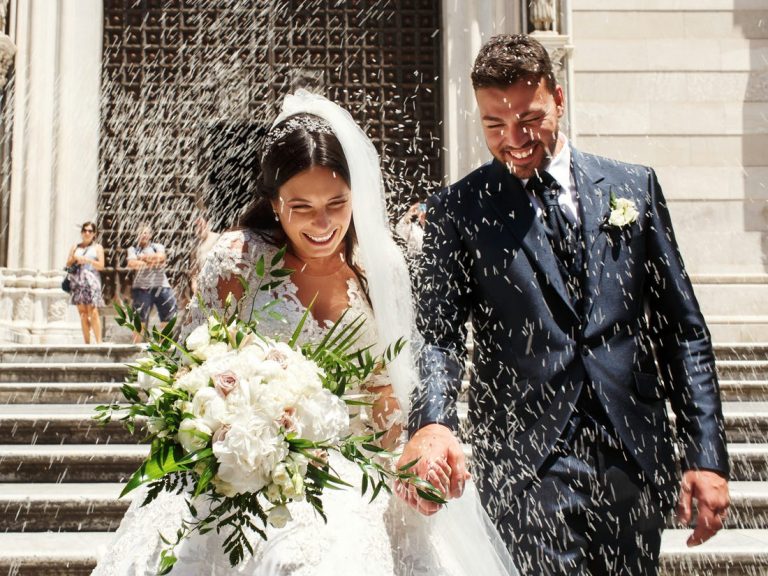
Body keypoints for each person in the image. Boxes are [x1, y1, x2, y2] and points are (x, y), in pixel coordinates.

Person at [92, 91, 516, 576]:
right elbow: (191, 373)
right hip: (250, 474)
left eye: (337, 203)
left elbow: (384, 394)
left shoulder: (378, 269)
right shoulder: (237, 261)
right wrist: (237, 433)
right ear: (274, 203)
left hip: (352, 472)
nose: (323, 223)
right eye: (302, 206)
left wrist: (405, 459)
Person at [397, 34, 730, 576]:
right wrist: (432, 422)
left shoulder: (634, 187)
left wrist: (705, 454)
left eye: (529, 120)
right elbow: (438, 336)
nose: (513, 141)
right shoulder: (458, 210)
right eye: (494, 125)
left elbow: (682, 331)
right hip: (528, 463)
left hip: (631, 454)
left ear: (559, 97)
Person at [126, 225, 178, 343]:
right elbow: (132, 264)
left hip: (162, 287)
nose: (143, 235)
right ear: (137, 235)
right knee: (139, 319)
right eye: (141, 233)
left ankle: (164, 346)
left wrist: (142, 258)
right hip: (142, 288)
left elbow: (161, 258)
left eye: (146, 233)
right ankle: (136, 348)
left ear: (150, 235)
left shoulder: (158, 246)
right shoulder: (132, 249)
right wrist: (153, 262)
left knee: (167, 317)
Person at [65, 221, 105, 344]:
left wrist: (88, 261)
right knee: (82, 313)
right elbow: (68, 264)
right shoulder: (75, 247)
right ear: (82, 232)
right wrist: (75, 258)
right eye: (85, 230)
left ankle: (99, 342)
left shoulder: (98, 248)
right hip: (78, 282)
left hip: (92, 282)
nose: (87, 233)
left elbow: (101, 266)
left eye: (90, 231)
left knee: (93, 311)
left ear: (94, 233)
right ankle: (87, 343)